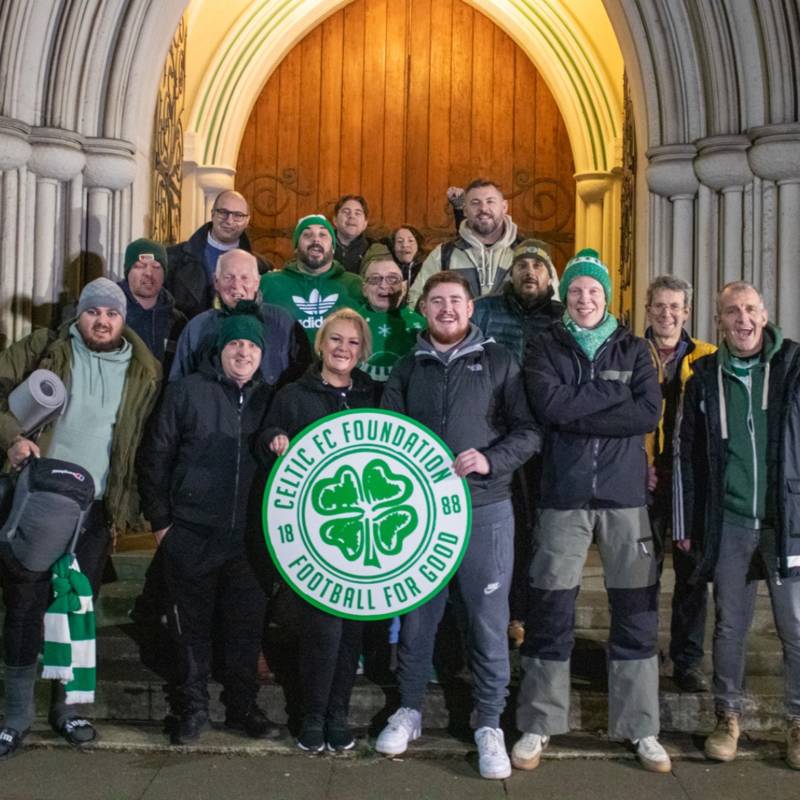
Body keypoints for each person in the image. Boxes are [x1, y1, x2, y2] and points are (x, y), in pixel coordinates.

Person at [377, 271, 541, 780]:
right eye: (436, 301)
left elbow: (529, 432)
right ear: (423, 309)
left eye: (455, 300)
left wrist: (491, 460)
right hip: (420, 515)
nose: (446, 309)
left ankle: (489, 723)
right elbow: (385, 434)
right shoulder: (408, 366)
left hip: (485, 510)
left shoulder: (499, 361)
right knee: (418, 616)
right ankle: (409, 709)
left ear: (471, 309)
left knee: (489, 620)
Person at [514, 249, 669, 774]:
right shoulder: (545, 345)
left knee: (637, 611)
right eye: (577, 290)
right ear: (567, 295)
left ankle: (641, 727)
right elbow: (549, 407)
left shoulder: (635, 348)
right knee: (550, 608)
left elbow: (646, 413)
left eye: (594, 290)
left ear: (607, 296)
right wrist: (609, 391)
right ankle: (539, 722)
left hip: (626, 498)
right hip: (564, 495)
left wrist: (577, 406)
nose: (585, 299)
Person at [0, 278, 161, 759]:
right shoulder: (45, 347)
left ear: (123, 319)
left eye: (111, 313)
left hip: (95, 509)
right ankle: (15, 717)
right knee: (24, 605)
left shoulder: (145, 369)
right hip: (38, 498)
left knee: (75, 608)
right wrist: (12, 439)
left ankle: (69, 711)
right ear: (80, 314)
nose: (102, 321)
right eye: (94, 312)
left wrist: (126, 510)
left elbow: (138, 442)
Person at [136, 310, 281, 746]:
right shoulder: (186, 392)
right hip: (192, 533)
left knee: (245, 629)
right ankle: (192, 708)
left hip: (250, 539)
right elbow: (155, 457)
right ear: (220, 349)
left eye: (252, 346)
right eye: (236, 344)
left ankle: (242, 707)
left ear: (262, 354)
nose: (243, 352)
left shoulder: (271, 399)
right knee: (190, 629)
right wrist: (161, 523)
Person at [674, 281, 800, 769]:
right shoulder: (704, 377)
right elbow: (686, 453)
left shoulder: (793, 366)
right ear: (719, 321)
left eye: (750, 310)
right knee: (729, 626)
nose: (742, 319)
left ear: (764, 315)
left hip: (786, 521)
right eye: (732, 311)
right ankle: (727, 718)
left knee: (795, 625)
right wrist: (689, 519)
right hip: (729, 521)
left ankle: (797, 721)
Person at [256, 308, 380, 752]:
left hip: (364, 534)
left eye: (353, 342)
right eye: (336, 339)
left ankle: (337, 715)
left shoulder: (373, 396)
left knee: (352, 631)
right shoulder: (293, 394)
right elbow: (268, 433)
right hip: (315, 535)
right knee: (322, 629)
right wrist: (274, 439)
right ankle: (312, 715)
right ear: (321, 344)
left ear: (362, 352)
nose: (343, 348)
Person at [472, 239, 563, 645]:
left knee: (540, 529)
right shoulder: (486, 310)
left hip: (548, 439)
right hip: (494, 435)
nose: (530, 272)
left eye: (538, 266)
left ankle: (530, 614)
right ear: (511, 271)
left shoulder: (562, 318)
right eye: (522, 264)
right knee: (500, 527)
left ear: (549, 276)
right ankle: (497, 614)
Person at [643, 276, 715, 693]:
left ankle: (687, 660)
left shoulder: (707, 357)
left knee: (691, 574)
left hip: (690, 480)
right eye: (659, 306)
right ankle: (643, 652)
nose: (666, 314)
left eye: (675, 306)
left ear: (687, 312)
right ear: (648, 310)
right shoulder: (631, 352)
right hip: (645, 477)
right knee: (643, 573)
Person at [169, 248, 309, 386]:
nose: (236, 285)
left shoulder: (283, 322)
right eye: (228, 277)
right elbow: (179, 385)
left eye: (244, 278)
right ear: (216, 281)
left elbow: (303, 379)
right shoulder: (197, 328)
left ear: (257, 282)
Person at [407, 179, 523, 306]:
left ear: (504, 207)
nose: (483, 208)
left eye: (490, 201)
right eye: (475, 203)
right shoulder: (443, 255)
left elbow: (540, 304)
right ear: (465, 211)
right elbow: (416, 300)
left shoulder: (526, 253)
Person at [166, 190, 270, 321]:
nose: (229, 221)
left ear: (247, 220)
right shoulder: (173, 258)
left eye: (238, 215)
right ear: (213, 214)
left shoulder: (263, 267)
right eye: (223, 212)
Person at [259, 214, 363, 345]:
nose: (316, 240)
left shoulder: (355, 284)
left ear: (333, 247)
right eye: (307, 235)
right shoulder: (269, 283)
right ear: (296, 247)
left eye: (323, 235)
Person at [356, 243, 425, 384]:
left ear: (404, 287)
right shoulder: (348, 324)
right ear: (364, 289)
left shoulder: (422, 327)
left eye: (392, 279)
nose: (384, 285)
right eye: (375, 279)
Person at [119, 238, 186, 373]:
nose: (149, 273)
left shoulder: (178, 322)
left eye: (156, 267)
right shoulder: (110, 314)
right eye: (140, 266)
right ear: (128, 271)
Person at [333, 195, 372, 274]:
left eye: (357, 213)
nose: (351, 216)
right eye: (346, 212)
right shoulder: (322, 245)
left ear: (365, 223)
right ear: (335, 220)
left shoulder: (373, 250)